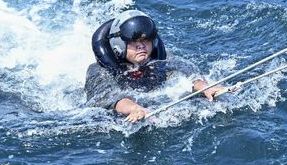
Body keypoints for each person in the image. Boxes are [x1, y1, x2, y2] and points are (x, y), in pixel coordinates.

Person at [85, 9, 228, 122]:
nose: (141, 46)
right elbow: (107, 97)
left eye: (146, 41)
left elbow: (187, 72)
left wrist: (204, 87)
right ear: (119, 45)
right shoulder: (98, 70)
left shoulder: (161, 60)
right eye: (134, 42)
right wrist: (133, 108)